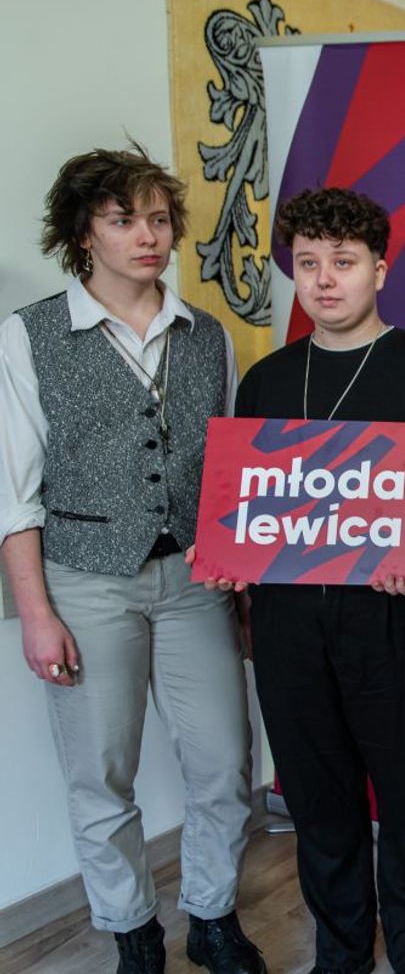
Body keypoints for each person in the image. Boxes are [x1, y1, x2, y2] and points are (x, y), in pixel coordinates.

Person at [0, 145, 263, 974]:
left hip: (193, 579)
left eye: (158, 218)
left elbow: (227, 470)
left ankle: (212, 914)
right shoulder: (30, 335)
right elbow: (15, 493)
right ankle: (133, 932)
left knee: (225, 761)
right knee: (101, 772)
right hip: (84, 579)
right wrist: (36, 614)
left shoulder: (207, 335)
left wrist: (239, 583)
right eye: (123, 220)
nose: (147, 236)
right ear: (84, 234)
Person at [226, 187, 405, 974]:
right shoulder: (265, 382)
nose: (324, 279)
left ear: (379, 269)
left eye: (343, 261)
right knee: (318, 801)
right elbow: (245, 504)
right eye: (308, 263)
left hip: (395, 624)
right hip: (289, 627)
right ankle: (340, 953)